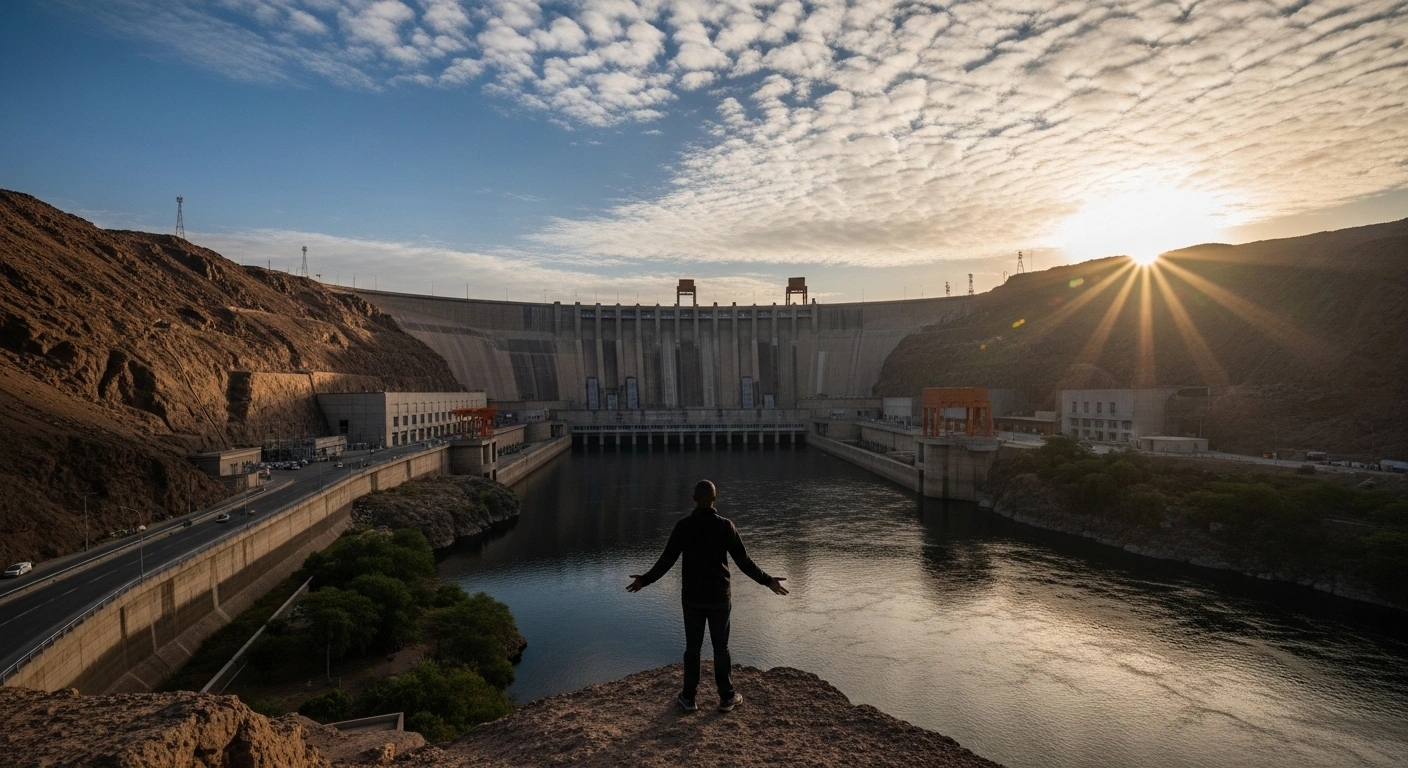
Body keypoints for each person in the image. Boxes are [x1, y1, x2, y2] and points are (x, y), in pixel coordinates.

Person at [627, 479, 789, 713]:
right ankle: (726, 697)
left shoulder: (683, 526)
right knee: (720, 647)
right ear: (715, 499)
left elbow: (667, 560)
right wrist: (768, 581)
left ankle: (689, 697)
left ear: (694, 499)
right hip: (719, 597)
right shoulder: (726, 526)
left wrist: (645, 579)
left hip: (692, 597)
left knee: (692, 648)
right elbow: (744, 562)